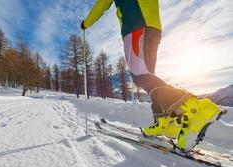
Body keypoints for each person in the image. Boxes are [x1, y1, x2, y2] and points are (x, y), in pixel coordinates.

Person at [81, 0, 224, 151]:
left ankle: (194, 108)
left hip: (135, 22)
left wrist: (86, 24)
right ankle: (164, 122)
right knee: (149, 77)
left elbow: (101, 4)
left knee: (140, 75)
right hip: (154, 26)